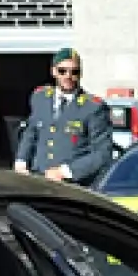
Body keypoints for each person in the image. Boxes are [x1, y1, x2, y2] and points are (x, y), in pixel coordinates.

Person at [14, 48, 112, 185]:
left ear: (80, 74)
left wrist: (65, 171)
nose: (68, 76)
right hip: (38, 179)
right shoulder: (40, 98)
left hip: (72, 185)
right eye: (62, 71)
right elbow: (31, 132)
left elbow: (102, 154)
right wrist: (21, 161)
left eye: (74, 72)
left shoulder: (93, 107)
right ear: (53, 71)